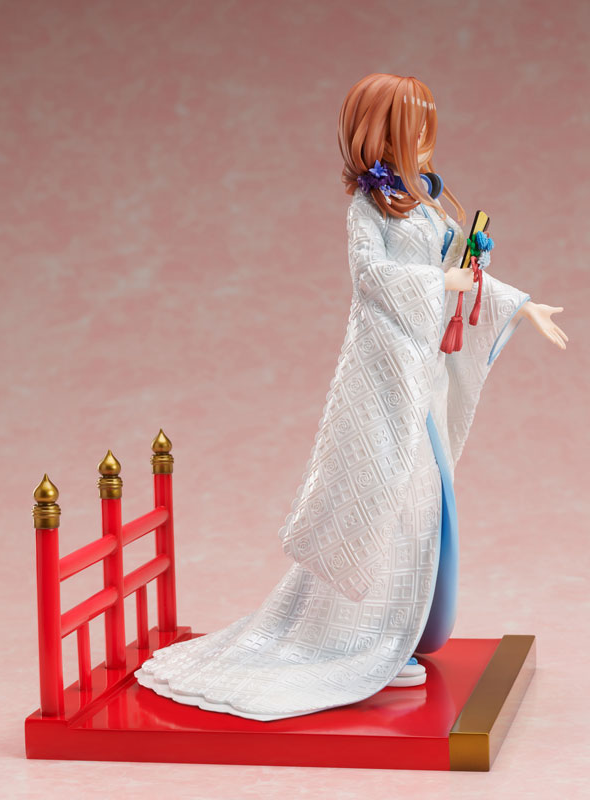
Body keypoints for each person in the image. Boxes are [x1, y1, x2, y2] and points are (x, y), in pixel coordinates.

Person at [134, 73, 567, 721]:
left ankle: (401, 634)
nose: (426, 141)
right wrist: (439, 282)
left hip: (418, 373)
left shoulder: (426, 203)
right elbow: (369, 275)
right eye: (414, 130)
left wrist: (515, 303)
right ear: (383, 134)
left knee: (424, 505)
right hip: (382, 370)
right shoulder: (370, 206)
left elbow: (457, 271)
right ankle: (364, 639)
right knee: (385, 497)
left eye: (429, 130)